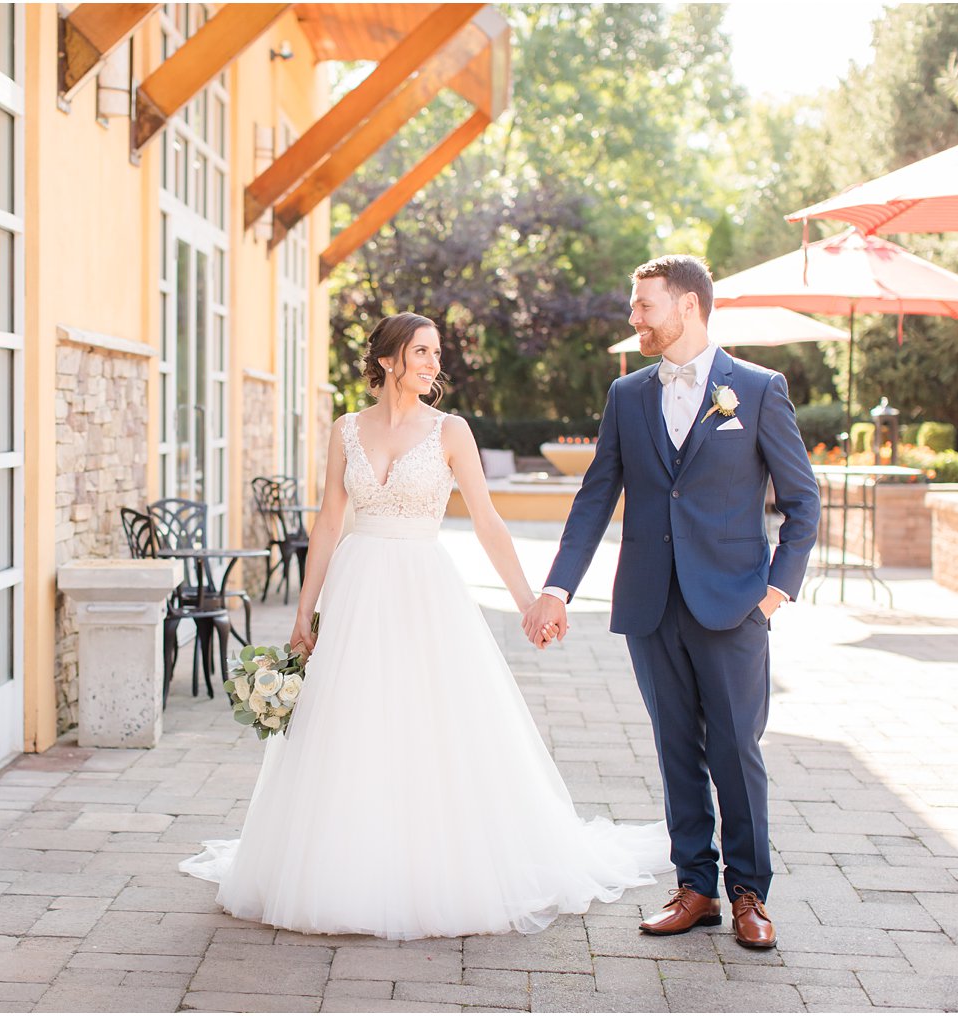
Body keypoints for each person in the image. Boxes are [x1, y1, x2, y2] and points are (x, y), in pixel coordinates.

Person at [179, 312, 671, 940]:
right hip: (357, 588)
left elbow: (489, 522)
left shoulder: (451, 431)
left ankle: (430, 862)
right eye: (421, 352)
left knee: (427, 720)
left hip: (422, 589)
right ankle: (345, 862)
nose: (434, 364)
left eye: (436, 353)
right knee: (349, 723)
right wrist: (305, 613)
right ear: (388, 361)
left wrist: (529, 601)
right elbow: (329, 523)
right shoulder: (345, 431)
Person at [522, 255, 820, 950]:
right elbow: (596, 495)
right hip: (651, 605)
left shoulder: (757, 389)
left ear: (687, 306)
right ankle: (696, 888)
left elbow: (803, 504)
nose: (635, 319)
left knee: (737, 753)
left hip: (734, 606)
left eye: (645, 306)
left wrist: (775, 593)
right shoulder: (627, 396)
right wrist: (557, 587)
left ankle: (750, 893)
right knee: (674, 749)